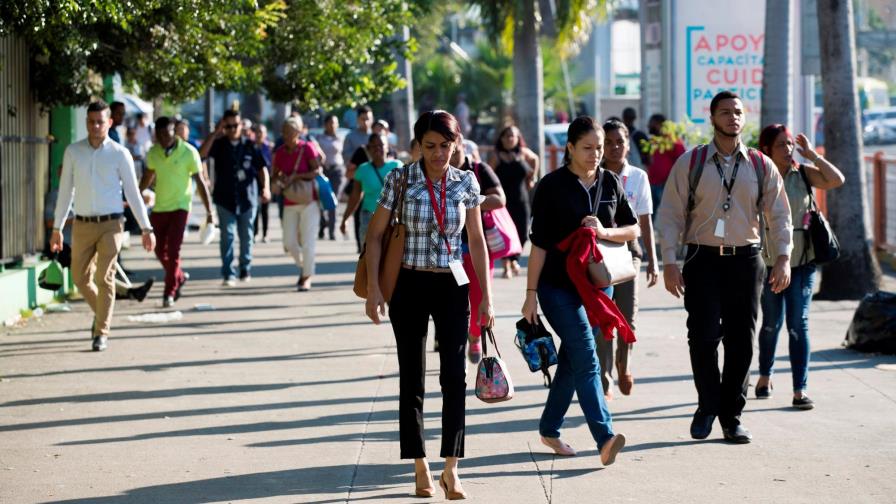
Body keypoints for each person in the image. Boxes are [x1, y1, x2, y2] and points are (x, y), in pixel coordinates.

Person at [364, 110, 493, 500]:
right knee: (413, 377)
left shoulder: (466, 182)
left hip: (454, 286)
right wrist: (374, 289)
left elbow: (476, 240)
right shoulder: (400, 179)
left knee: (454, 377)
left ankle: (451, 467)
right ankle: (419, 464)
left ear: (456, 145)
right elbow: (374, 237)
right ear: (418, 145)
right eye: (431, 146)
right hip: (409, 283)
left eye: (446, 146)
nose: (439, 155)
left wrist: (485, 295)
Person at [656, 91, 793, 444]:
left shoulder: (762, 165)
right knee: (701, 337)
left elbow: (779, 216)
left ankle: (732, 416)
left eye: (738, 112)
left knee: (741, 341)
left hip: (746, 260)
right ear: (712, 117)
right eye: (725, 112)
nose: (733, 117)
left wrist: (783, 257)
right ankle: (706, 407)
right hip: (702, 258)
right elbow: (670, 214)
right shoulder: (693, 161)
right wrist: (669, 261)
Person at [521, 116, 634, 468]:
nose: (596, 154)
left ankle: (549, 428)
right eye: (588, 148)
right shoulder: (551, 186)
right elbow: (539, 245)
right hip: (557, 288)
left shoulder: (611, 182)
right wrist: (530, 293)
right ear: (569, 148)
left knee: (572, 361)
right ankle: (605, 437)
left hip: (600, 288)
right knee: (587, 356)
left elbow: (632, 229)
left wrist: (604, 231)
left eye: (599, 148)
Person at [50, 100, 156, 352]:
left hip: (112, 224)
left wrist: (146, 228)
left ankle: (101, 332)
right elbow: (65, 191)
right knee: (79, 277)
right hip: (83, 224)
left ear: (109, 123)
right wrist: (57, 228)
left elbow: (132, 193)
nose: (95, 126)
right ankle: (101, 314)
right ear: (86, 122)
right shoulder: (73, 152)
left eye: (100, 121)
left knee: (105, 276)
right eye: (91, 121)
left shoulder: (120, 154)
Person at [754, 124, 845, 410]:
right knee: (771, 325)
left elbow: (836, 180)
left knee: (798, 324)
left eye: (790, 143)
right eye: (781, 144)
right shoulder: (759, 177)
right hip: (769, 263)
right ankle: (765, 376)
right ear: (767, 149)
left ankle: (799, 389)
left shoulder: (803, 174)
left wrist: (812, 156)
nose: (788, 149)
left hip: (802, 262)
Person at [597, 119, 659, 398]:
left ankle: (625, 364)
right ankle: (604, 374)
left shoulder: (638, 177)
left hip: (629, 250)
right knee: (603, 317)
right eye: (608, 142)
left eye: (619, 141)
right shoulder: (592, 176)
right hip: (597, 252)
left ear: (628, 144)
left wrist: (653, 262)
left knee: (626, 316)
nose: (614, 147)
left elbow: (645, 221)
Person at [139, 116, 214, 307]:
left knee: (173, 251)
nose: (164, 138)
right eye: (160, 135)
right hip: (160, 206)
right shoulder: (153, 153)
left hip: (181, 207)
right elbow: (147, 177)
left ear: (175, 132)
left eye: (168, 134)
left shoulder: (189, 152)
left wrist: (209, 211)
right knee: (157, 249)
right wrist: (135, 195)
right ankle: (178, 276)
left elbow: (200, 182)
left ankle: (169, 292)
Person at [450, 134, 505, 364]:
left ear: (461, 145)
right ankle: (457, 345)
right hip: (450, 252)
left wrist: (470, 199)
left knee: (480, 297)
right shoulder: (435, 173)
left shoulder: (478, 170)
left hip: (477, 246)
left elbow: (500, 199)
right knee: (457, 301)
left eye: (451, 146)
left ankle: (474, 336)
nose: (447, 153)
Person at [199, 109, 270, 286]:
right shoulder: (219, 144)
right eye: (228, 126)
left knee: (246, 235)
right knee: (227, 236)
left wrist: (266, 188)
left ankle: (245, 268)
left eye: (235, 125)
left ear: (241, 125)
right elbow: (201, 154)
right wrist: (215, 132)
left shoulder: (250, 145)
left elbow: (262, 169)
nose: (232, 129)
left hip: (248, 198)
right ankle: (228, 272)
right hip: (224, 198)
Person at [271, 116, 322, 292]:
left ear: (298, 133)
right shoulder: (280, 152)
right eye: (284, 132)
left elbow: (317, 171)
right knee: (289, 242)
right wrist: (280, 179)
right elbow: (274, 174)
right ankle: (305, 266)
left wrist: (297, 176)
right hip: (289, 200)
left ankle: (306, 277)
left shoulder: (307, 148)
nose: (286, 135)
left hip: (309, 200)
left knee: (308, 242)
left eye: (290, 132)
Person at [488, 125, 539, 279]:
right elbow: (488, 174)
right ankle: (506, 265)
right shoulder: (496, 156)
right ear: (501, 138)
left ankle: (514, 259)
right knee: (505, 233)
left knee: (523, 232)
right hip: (502, 202)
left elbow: (535, 159)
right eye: (507, 136)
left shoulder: (523, 153)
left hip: (521, 200)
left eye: (513, 136)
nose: (510, 139)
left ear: (518, 139)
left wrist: (532, 178)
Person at [340, 133, 401, 244]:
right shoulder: (362, 170)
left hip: (392, 218)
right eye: (373, 146)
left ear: (387, 147)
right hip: (369, 218)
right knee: (368, 256)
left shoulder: (397, 166)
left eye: (381, 145)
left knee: (390, 256)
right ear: (368, 149)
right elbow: (355, 196)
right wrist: (345, 219)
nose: (377, 148)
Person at [343, 106, 375, 251]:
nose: (366, 122)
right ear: (357, 120)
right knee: (358, 210)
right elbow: (346, 157)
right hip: (357, 177)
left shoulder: (375, 136)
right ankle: (359, 244)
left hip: (375, 180)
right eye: (363, 119)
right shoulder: (350, 137)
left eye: (368, 118)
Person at [646, 114, 686, 213]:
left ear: (659, 125)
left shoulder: (672, 140)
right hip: (652, 183)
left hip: (666, 185)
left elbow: (682, 160)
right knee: (650, 213)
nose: (649, 126)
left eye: (652, 124)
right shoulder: (653, 141)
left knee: (667, 214)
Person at [315, 114, 346, 241]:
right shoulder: (319, 138)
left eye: (335, 123)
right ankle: (323, 223)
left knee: (334, 201)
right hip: (323, 171)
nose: (333, 125)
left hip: (337, 171)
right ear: (326, 124)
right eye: (331, 123)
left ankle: (332, 230)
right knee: (322, 199)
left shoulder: (340, 138)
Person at [252, 123, 274, 243]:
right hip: (253, 180)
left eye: (262, 132)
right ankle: (255, 232)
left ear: (265, 134)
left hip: (266, 179)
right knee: (255, 207)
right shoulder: (251, 146)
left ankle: (265, 234)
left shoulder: (269, 148)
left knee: (265, 208)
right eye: (257, 132)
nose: (259, 134)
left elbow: (272, 164)